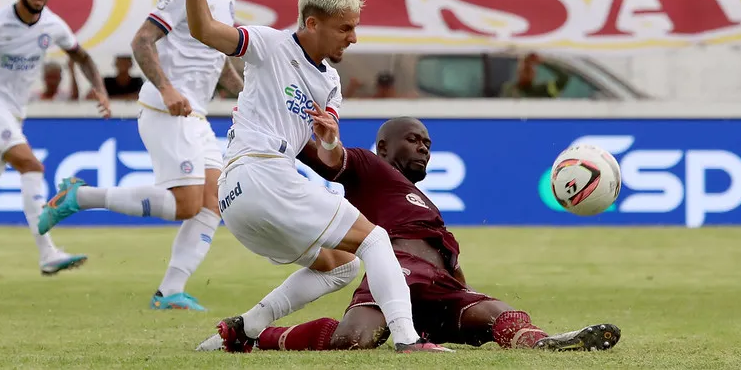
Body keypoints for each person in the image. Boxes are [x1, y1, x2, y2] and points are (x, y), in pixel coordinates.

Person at [170, 0, 447, 353]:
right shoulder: (268, 44)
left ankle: (242, 330)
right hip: (261, 175)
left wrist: (331, 142)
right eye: (345, 28)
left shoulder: (330, 82)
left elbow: (331, 158)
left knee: (342, 267)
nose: (352, 38)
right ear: (312, 23)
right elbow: (205, 30)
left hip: (239, 200)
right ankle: (408, 340)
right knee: (374, 240)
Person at [197, 117, 622, 353]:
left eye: (428, 142)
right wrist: (270, 116)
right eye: (413, 139)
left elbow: (446, 256)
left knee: (497, 313)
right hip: (394, 271)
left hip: (442, 289)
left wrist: (463, 291)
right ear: (383, 147)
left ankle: (547, 344)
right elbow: (323, 158)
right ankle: (253, 334)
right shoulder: (367, 166)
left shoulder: (422, 201)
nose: (424, 147)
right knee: (353, 342)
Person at [38, 0, 245, 310]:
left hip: (197, 115)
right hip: (166, 109)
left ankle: (170, 291)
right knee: (186, 204)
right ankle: (80, 197)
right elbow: (142, 41)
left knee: (212, 203)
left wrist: (248, 96)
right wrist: (166, 88)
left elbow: (219, 60)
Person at [0, 0, 111, 275]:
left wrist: (100, 89)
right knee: (31, 165)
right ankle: (48, 253)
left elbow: (81, 56)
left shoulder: (52, 25)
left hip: (13, 116)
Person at [501, 53, 570, 98]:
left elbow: (564, 78)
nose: (525, 74)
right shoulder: (509, 89)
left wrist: (543, 62)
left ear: (534, 74)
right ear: (518, 72)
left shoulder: (543, 90)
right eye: (524, 70)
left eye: (528, 70)